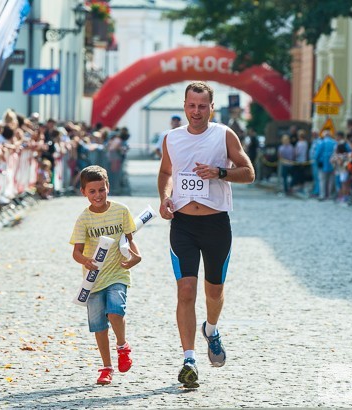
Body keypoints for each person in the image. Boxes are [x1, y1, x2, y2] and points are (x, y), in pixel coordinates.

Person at [157, 81, 255, 388]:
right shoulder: (172, 138)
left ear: (211, 107)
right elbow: (165, 173)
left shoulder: (223, 134)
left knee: (214, 292)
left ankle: (211, 330)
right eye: (191, 105)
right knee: (186, 290)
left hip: (215, 225)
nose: (196, 111)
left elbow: (249, 172)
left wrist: (220, 173)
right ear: (184, 106)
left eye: (202, 106)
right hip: (183, 225)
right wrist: (165, 198)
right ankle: (189, 359)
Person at [69, 165, 142, 385]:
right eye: (92, 191)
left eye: (101, 189)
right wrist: (85, 261)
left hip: (118, 272)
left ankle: (122, 346)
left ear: (108, 187)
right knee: (99, 326)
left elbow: (130, 239)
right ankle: (106, 367)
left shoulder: (121, 210)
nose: (98, 195)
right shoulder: (84, 220)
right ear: (84, 192)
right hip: (93, 281)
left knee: (115, 311)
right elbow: (76, 252)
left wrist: (136, 256)